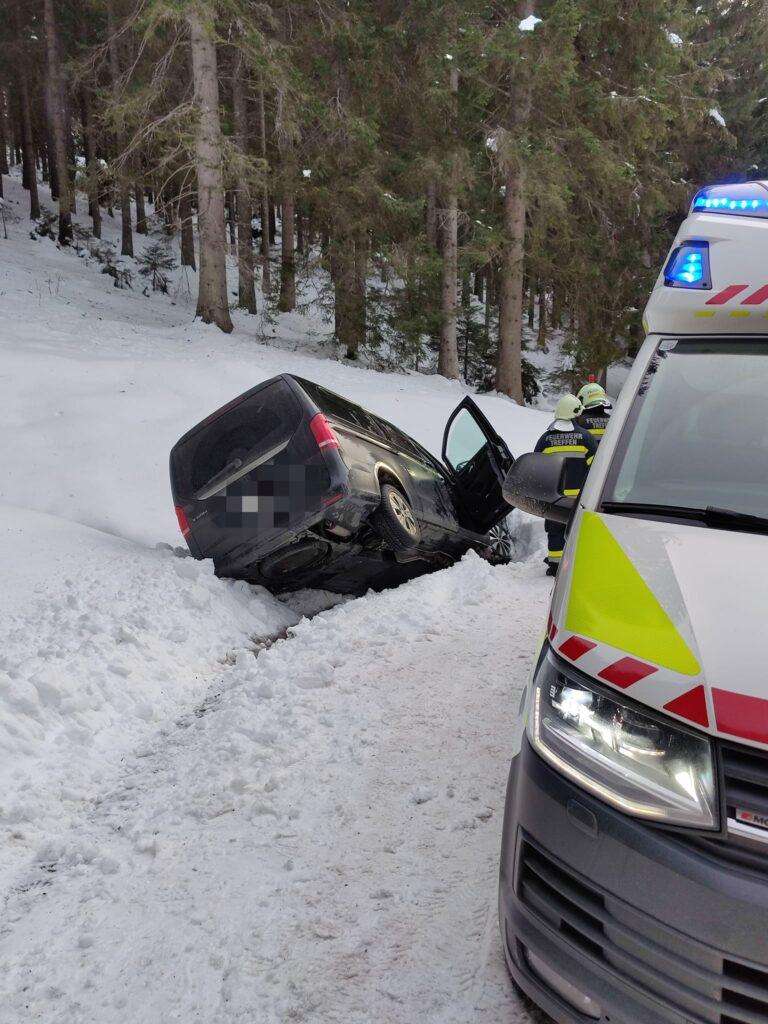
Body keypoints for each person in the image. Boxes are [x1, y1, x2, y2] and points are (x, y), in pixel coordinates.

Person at [534, 394, 598, 575]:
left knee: (555, 530)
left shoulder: (545, 439)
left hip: (554, 496)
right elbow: (596, 467)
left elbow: (537, 467)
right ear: (576, 414)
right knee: (578, 531)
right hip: (579, 498)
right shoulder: (586, 438)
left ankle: (555, 564)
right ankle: (579, 564)